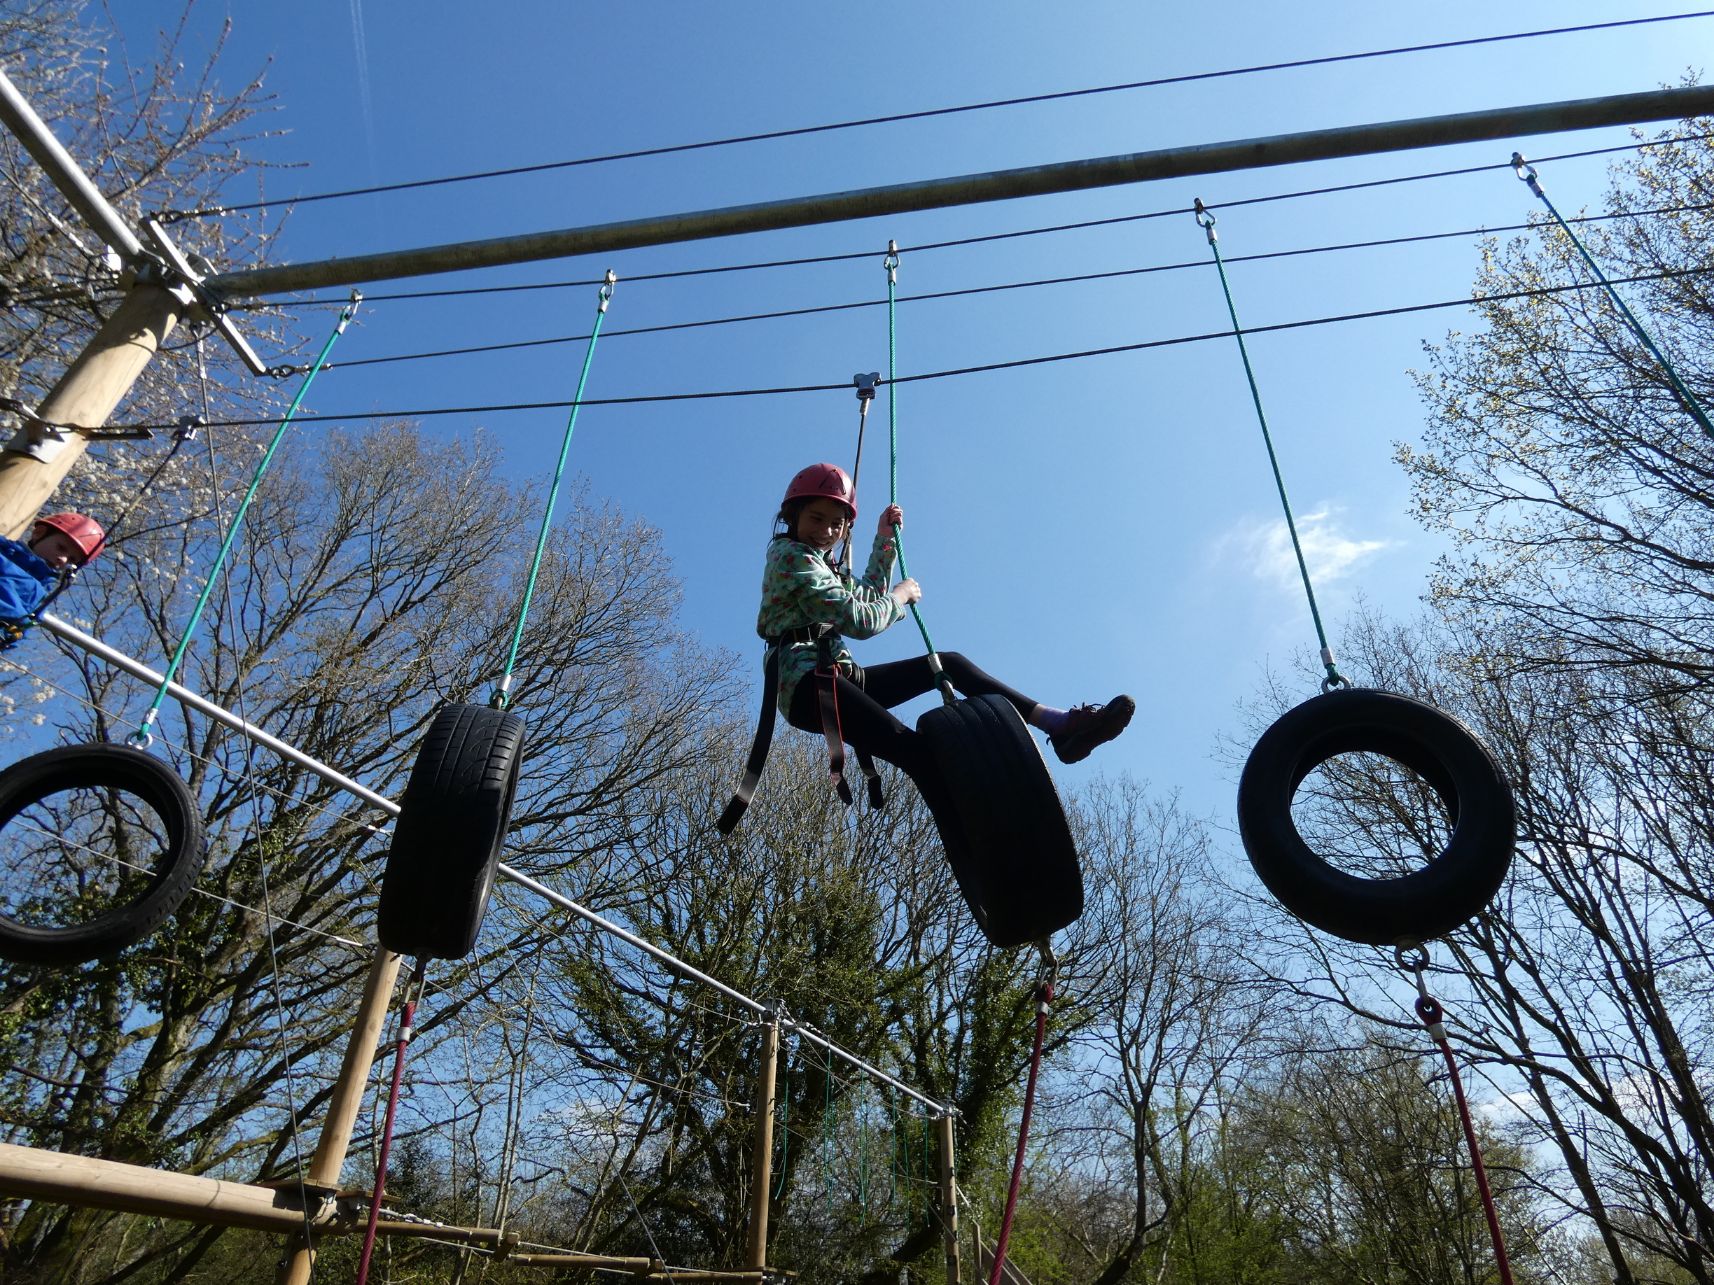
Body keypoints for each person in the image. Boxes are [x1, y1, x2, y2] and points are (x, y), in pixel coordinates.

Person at [754, 462, 1132, 815]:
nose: (828, 530)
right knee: (914, 750)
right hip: (807, 685)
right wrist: (900, 597)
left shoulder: (821, 565)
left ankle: (1059, 726)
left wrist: (884, 540)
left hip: (838, 676)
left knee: (948, 664)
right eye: (817, 518)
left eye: (837, 524)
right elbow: (861, 619)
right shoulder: (791, 558)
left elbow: (867, 594)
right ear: (793, 516)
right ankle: (981, 834)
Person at [0, 511, 104, 633]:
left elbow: (20, 634)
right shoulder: (4, 556)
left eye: (71, 560)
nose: (63, 559)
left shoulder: (42, 597)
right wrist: (17, 617)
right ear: (39, 533)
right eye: (61, 548)